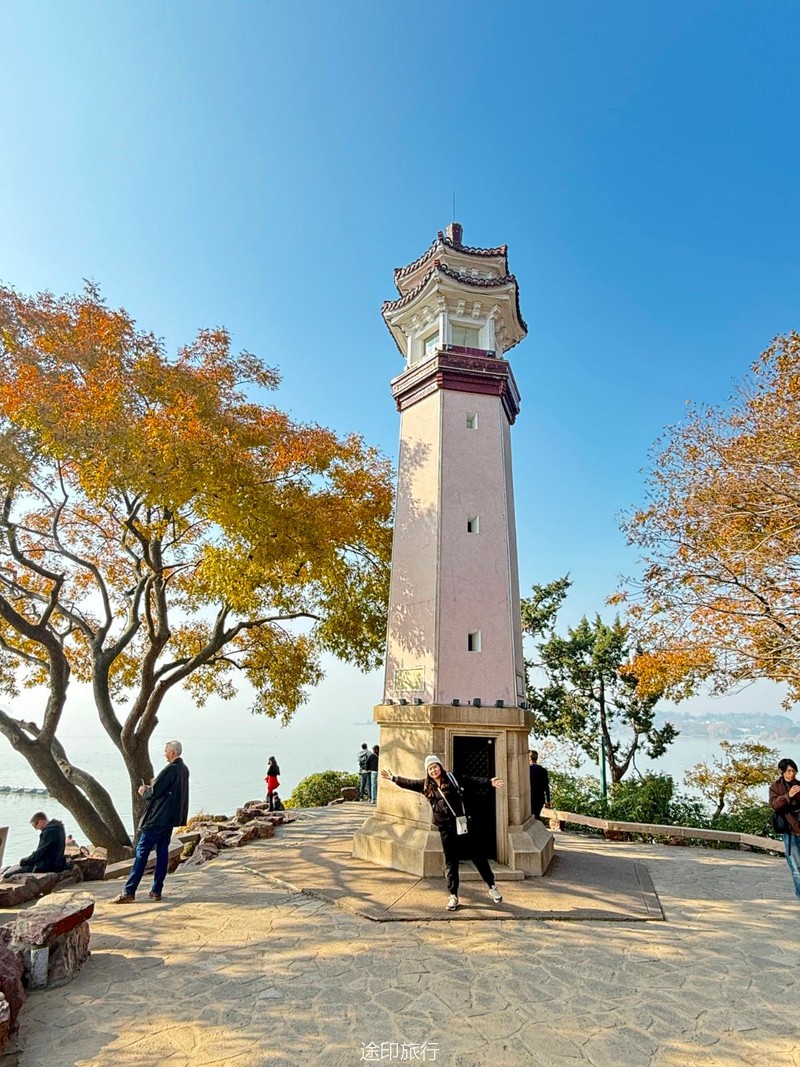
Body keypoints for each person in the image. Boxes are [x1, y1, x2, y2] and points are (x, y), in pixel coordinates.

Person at [381, 755, 504, 911]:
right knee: (451, 862)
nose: (433, 770)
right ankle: (453, 895)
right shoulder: (426, 785)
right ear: (427, 771)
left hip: (462, 825)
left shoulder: (452, 778)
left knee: (478, 856)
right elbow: (409, 783)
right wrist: (393, 778)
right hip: (445, 829)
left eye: (435, 767)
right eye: (430, 769)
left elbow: (470, 780)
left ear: (440, 766)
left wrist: (489, 782)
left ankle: (492, 886)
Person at [112, 740, 190, 904]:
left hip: (157, 819)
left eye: (166, 751)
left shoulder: (170, 770)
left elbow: (154, 793)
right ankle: (156, 890)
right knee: (162, 852)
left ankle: (129, 891)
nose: (164, 754)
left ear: (172, 752)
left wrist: (144, 791)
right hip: (170, 819)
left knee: (142, 852)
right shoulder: (184, 769)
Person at [769, 756, 800, 901]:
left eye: (794, 771)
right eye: (788, 771)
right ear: (781, 772)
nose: (791, 774)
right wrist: (788, 795)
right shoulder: (775, 787)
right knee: (796, 867)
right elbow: (774, 805)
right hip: (789, 831)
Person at [2, 812, 68, 878]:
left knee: (8, 874)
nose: (36, 829)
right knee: (13, 868)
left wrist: (24, 860)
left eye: (35, 826)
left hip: (46, 866)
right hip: (57, 863)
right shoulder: (59, 827)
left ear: (41, 822)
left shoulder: (49, 831)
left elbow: (39, 853)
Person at [528, 749, 551, 820]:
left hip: (530, 797)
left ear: (529, 758)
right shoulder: (543, 770)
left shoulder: (528, 769)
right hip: (540, 798)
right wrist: (548, 800)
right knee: (537, 816)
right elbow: (546, 786)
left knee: (530, 818)